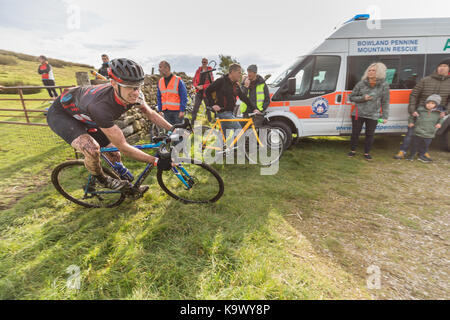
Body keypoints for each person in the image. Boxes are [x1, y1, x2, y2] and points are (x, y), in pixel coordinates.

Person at [46, 58, 174, 191]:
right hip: (62, 114)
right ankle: (102, 179)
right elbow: (124, 147)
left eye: (137, 86)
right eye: (129, 87)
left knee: (114, 154)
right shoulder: (100, 107)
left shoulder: (136, 95)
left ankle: (128, 188)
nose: (135, 92)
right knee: (92, 149)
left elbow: (150, 113)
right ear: (113, 83)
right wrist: (156, 161)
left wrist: (173, 128)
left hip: (85, 113)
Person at [394, 59, 450, 159]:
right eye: (440, 66)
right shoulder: (425, 80)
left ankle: (423, 152)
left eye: (445, 66)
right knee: (411, 133)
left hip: (436, 113)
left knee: (428, 134)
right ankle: (402, 151)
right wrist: (412, 110)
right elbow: (414, 95)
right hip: (420, 111)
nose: (442, 68)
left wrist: (446, 112)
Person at [348, 62, 390, 161]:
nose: (370, 72)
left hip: (373, 114)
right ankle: (352, 150)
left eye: (373, 70)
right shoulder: (361, 83)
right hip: (358, 113)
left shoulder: (384, 85)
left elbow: (385, 102)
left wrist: (384, 116)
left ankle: (367, 153)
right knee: (355, 133)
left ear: (379, 72)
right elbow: (351, 97)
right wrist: (363, 98)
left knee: (370, 134)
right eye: (369, 70)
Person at [205, 63, 256, 140]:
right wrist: (213, 105)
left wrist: (254, 108)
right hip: (223, 113)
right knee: (239, 132)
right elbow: (207, 91)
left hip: (230, 112)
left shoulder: (235, 85)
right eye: (239, 72)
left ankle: (220, 150)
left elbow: (244, 98)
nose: (240, 74)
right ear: (232, 72)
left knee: (223, 136)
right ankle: (234, 151)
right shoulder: (221, 81)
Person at [407, 94, 445, 162]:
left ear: (436, 105)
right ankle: (411, 155)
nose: (429, 105)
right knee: (414, 144)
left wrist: (439, 123)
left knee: (425, 146)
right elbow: (412, 116)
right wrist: (411, 122)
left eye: (432, 103)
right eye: (428, 103)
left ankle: (421, 156)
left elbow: (441, 119)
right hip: (418, 132)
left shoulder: (438, 113)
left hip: (429, 133)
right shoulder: (420, 110)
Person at [157, 61, 188, 126]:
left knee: (179, 132)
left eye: (160, 67)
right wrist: (160, 110)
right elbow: (159, 97)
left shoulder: (178, 80)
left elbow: (184, 96)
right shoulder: (160, 81)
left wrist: (182, 110)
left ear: (167, 68)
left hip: (177, 112)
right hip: (166, 112)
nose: (159, 69)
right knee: (170, 132)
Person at [192, 58, 214, 123]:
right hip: (198, 92)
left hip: (206, 92)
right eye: (203, 62)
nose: (204, 63)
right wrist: (197, 86)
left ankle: (209, 122)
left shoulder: (209, 71)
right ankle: (192, 122)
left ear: (207, 63)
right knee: (195, 107)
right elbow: (194, 80)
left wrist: (203, 87)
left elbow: (211, 83)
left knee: (208, 108)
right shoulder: (198, 70)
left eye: (205, 62)